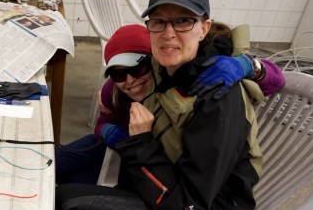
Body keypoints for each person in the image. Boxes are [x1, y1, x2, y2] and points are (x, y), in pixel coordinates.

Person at [51, 0, 269, 210]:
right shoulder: (161, 68)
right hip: (168, 185)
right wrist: (110, 107)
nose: (168, 33)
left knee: (65, 206)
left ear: (204, 27)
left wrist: (138, 144)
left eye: (183, 21)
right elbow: (125, 76)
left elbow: (188, 207)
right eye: (159, 21)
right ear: (149, 27)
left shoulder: (216, 96)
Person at [55, 23, 285, 185]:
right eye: (118, 73)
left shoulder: (179, 84)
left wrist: (247, 65)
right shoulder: (114, 89)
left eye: (137, 68)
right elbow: (103, 121)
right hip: (123, 148)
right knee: (56, 164)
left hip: (155, 164)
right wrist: (106, 131)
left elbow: (277, 81)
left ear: (155, 63)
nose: (130, 81)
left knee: (72, 188)